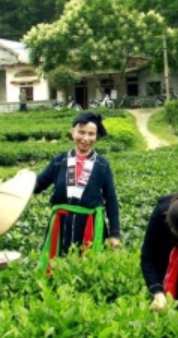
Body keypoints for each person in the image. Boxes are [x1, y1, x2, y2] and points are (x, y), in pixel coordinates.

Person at [34, 112, 121, 273]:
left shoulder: (102, 164)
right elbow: (38, 185)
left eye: (91, 134)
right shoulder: (59, 161)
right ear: (72, 132)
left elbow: (111, 198)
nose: (85, 138)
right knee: (58, 265)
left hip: (90, 224)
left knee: (88, 270)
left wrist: (115, 233)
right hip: (61, 224)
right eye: (81, 132)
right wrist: (17, 186)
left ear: (96, 136)